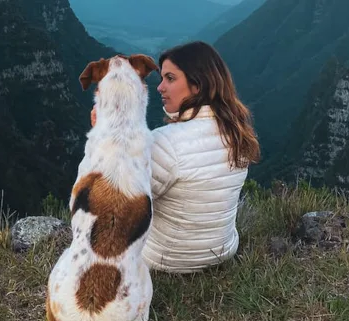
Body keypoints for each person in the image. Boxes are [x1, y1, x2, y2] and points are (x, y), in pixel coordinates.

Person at [91, 41, 260, 273]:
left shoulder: (165, 141)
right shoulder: (237, 134)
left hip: (167, 261)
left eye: (170, 79)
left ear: (197, 85)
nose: (160, 87)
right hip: (222, 251)